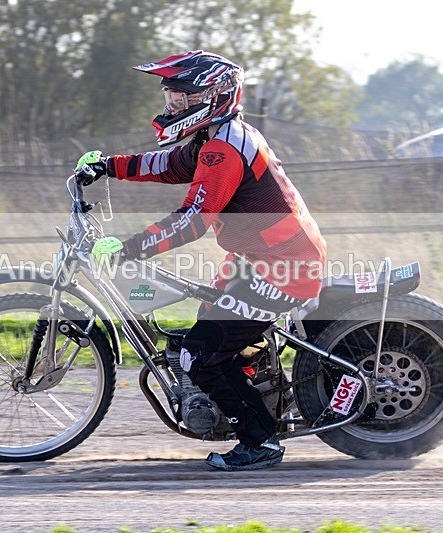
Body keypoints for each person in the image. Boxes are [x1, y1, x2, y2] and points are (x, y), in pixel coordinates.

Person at [75, 50, 327, 471]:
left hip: (282, 266)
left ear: (213, 96)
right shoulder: (218, 137)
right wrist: (109, 167)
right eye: (170, 99)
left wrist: (129, 247)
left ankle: (260, 442)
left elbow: (193, 220)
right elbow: (171, 166)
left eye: (180, 99)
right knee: (209, 331)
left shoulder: (224, 149)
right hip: (260, 258)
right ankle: (253, 386)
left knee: (197, 356)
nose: (171, 107)